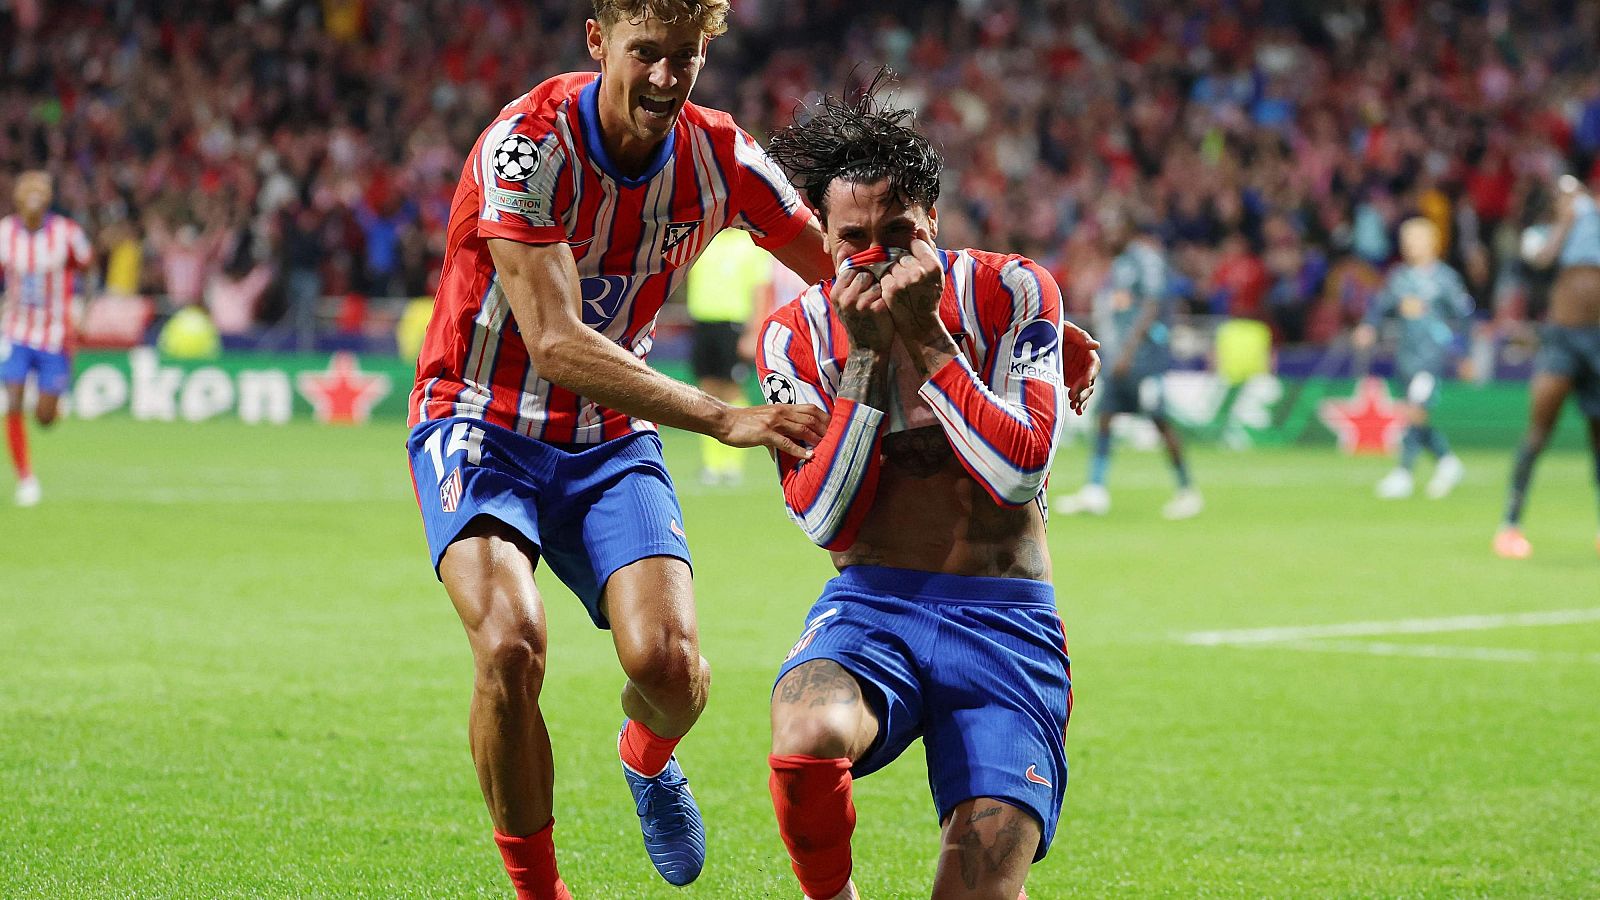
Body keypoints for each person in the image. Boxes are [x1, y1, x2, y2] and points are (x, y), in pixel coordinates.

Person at [402, 2, 834, 897]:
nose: (668, 79)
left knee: (671, 671)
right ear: (599, 42)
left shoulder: (721, 158)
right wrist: (723, 417)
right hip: (481, 422)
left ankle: (645, 756)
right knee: (512, 646)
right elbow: (555, 342)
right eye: (648, 54)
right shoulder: (527, 147)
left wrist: (1015, 318)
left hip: (605, 437)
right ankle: (541, 890)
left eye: (687, 57)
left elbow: (849, 261)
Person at [755, 81, 1098, 900]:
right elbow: (820, 515)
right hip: (872, 606)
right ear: (825, 238)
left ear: (933, 221)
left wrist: (932, 341)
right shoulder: (795, 334)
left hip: (1005, 622)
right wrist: (869, 362)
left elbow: (1018, 474)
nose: (875, 258)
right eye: (853, 240)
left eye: (898, 234)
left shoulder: (1013, 293)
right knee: (806, 736)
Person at [1054, 209, 1201, 520]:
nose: (1108, 234)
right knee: (1105, 418)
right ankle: (1095, 490)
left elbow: (1151, 305)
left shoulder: (1144, 258)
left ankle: (1187, 490)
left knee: (1160, 420)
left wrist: (1128, 353)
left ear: (1130, 228)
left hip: (1144, 358)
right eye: (1105, 229)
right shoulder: (1119, 265)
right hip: (1122, 359)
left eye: (1115, 227)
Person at [1495, 175, 1600, 559]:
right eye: (1562, 196)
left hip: (1599, 342)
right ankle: (1510, 524)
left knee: (1599, 440)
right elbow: (1542, 261)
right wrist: (1567, 222)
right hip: (1562, 341)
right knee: (1538, 433)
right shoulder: (1543, 233)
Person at [1352, 217, 1473, 500]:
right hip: (1406, 355)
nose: (1409, 245)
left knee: (1415, 411)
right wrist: (1369, 327)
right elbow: (1381, 307)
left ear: (1432, 242)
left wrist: (1463, 353)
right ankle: (1447, 462)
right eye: (1406, 239)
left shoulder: (1445, 279)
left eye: (1415, 239)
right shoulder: (1400, 278)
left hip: (1432, 356)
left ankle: (1404, 474)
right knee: (1412, 412)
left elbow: (1464, 316)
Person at [0, 170, 93, 507]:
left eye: (41, 192)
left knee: (44, 418)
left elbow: (89, 267)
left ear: (49, 198)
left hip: (54, 334)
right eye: (29, 192)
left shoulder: (68, 234)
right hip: (16, 331)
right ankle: (25, 478)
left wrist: (84, 309)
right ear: (19, 198)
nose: (35, 198)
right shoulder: (5, 233)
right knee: (11, 401)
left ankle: (53, 404)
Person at [684, 228, 770, 485]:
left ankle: (733, 460)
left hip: (733, 324)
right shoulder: (704, 240)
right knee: (706, 390)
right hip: (702, 322)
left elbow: (761, 290)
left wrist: (754, 331)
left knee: (732, 390)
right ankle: (713, 463)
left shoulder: (750, 244)